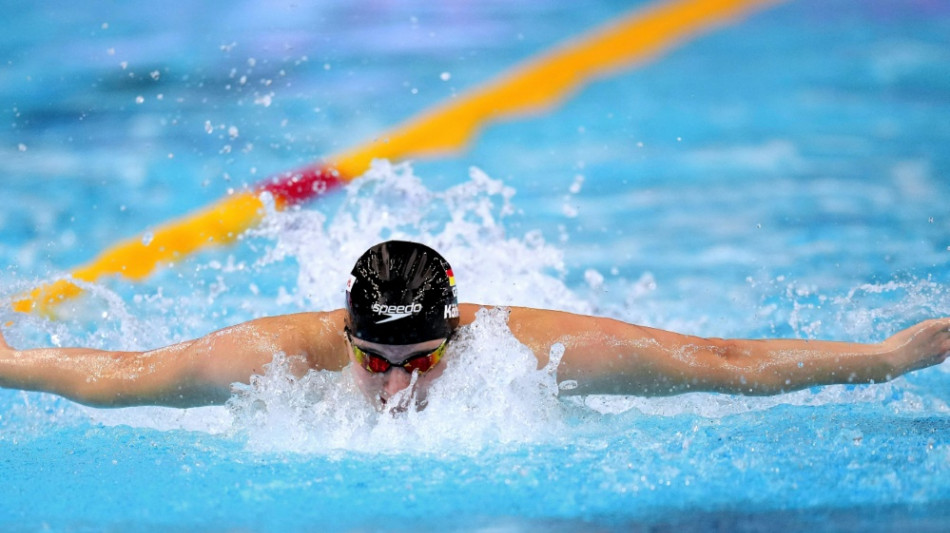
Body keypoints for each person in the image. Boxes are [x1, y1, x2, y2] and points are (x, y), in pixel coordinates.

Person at [1, 240, 948, 410]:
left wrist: (894, 354)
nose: (402, 384)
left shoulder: (524, 349)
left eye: (426, 357)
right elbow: (116, 370)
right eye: (376, 359)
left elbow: (719, 361)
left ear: (458, 332)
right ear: (345, 331)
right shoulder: (277, 359)